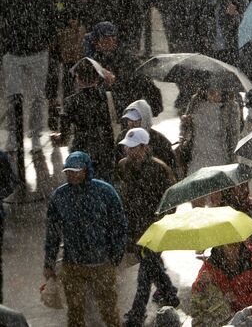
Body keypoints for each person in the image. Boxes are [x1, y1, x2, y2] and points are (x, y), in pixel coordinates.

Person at [44, 151, 128, 327]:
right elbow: (52, 233)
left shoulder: (105, 192)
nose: (73, 175)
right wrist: (49, 263)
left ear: (86, 170)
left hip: (102, 263)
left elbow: (119, 225)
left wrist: (115, 256)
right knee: (75, 312)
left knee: (109, 310)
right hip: (72, 264)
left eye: (77, 171)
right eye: (69, 171)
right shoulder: (60, 196)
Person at [114, 127, 178, 327]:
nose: (129, 151)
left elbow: (171, 202)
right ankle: (169, 292)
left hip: (155, 229)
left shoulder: (160, 169)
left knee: (145, 273)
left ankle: (137, 313)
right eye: (127, 148)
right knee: (151, 266)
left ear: (144, 147)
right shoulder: (123, 166)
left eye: (133, 148)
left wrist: (161, 222)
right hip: (134, 229)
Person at [0, 0, 56, 152]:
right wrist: (6, 43)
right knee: (13, 96)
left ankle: (35, 135)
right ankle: (14, 136)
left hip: (37, 51)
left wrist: (47, 38)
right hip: (14, 52)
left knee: (37, 96)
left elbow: (51, 19)